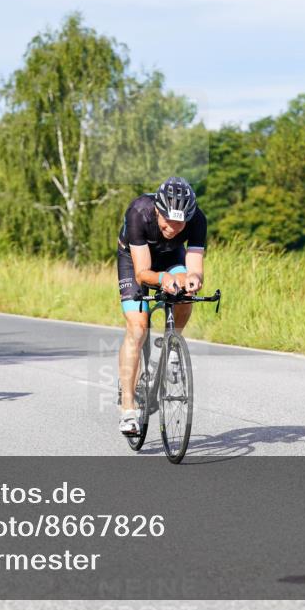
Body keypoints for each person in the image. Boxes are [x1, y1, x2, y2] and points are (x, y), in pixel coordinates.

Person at [116, 176, 206, 436]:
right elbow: (143, 273)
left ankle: (173, 342)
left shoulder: (197, 220)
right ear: (157, 210)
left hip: (171, 257)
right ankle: (128, 409)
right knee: (137, 328)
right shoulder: (138, 213)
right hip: (134, 260)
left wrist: (193, 280)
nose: (173, 227)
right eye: (168, 220)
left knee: (186, 293)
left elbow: (195, 268)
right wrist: (163, 279)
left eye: (180, 223)